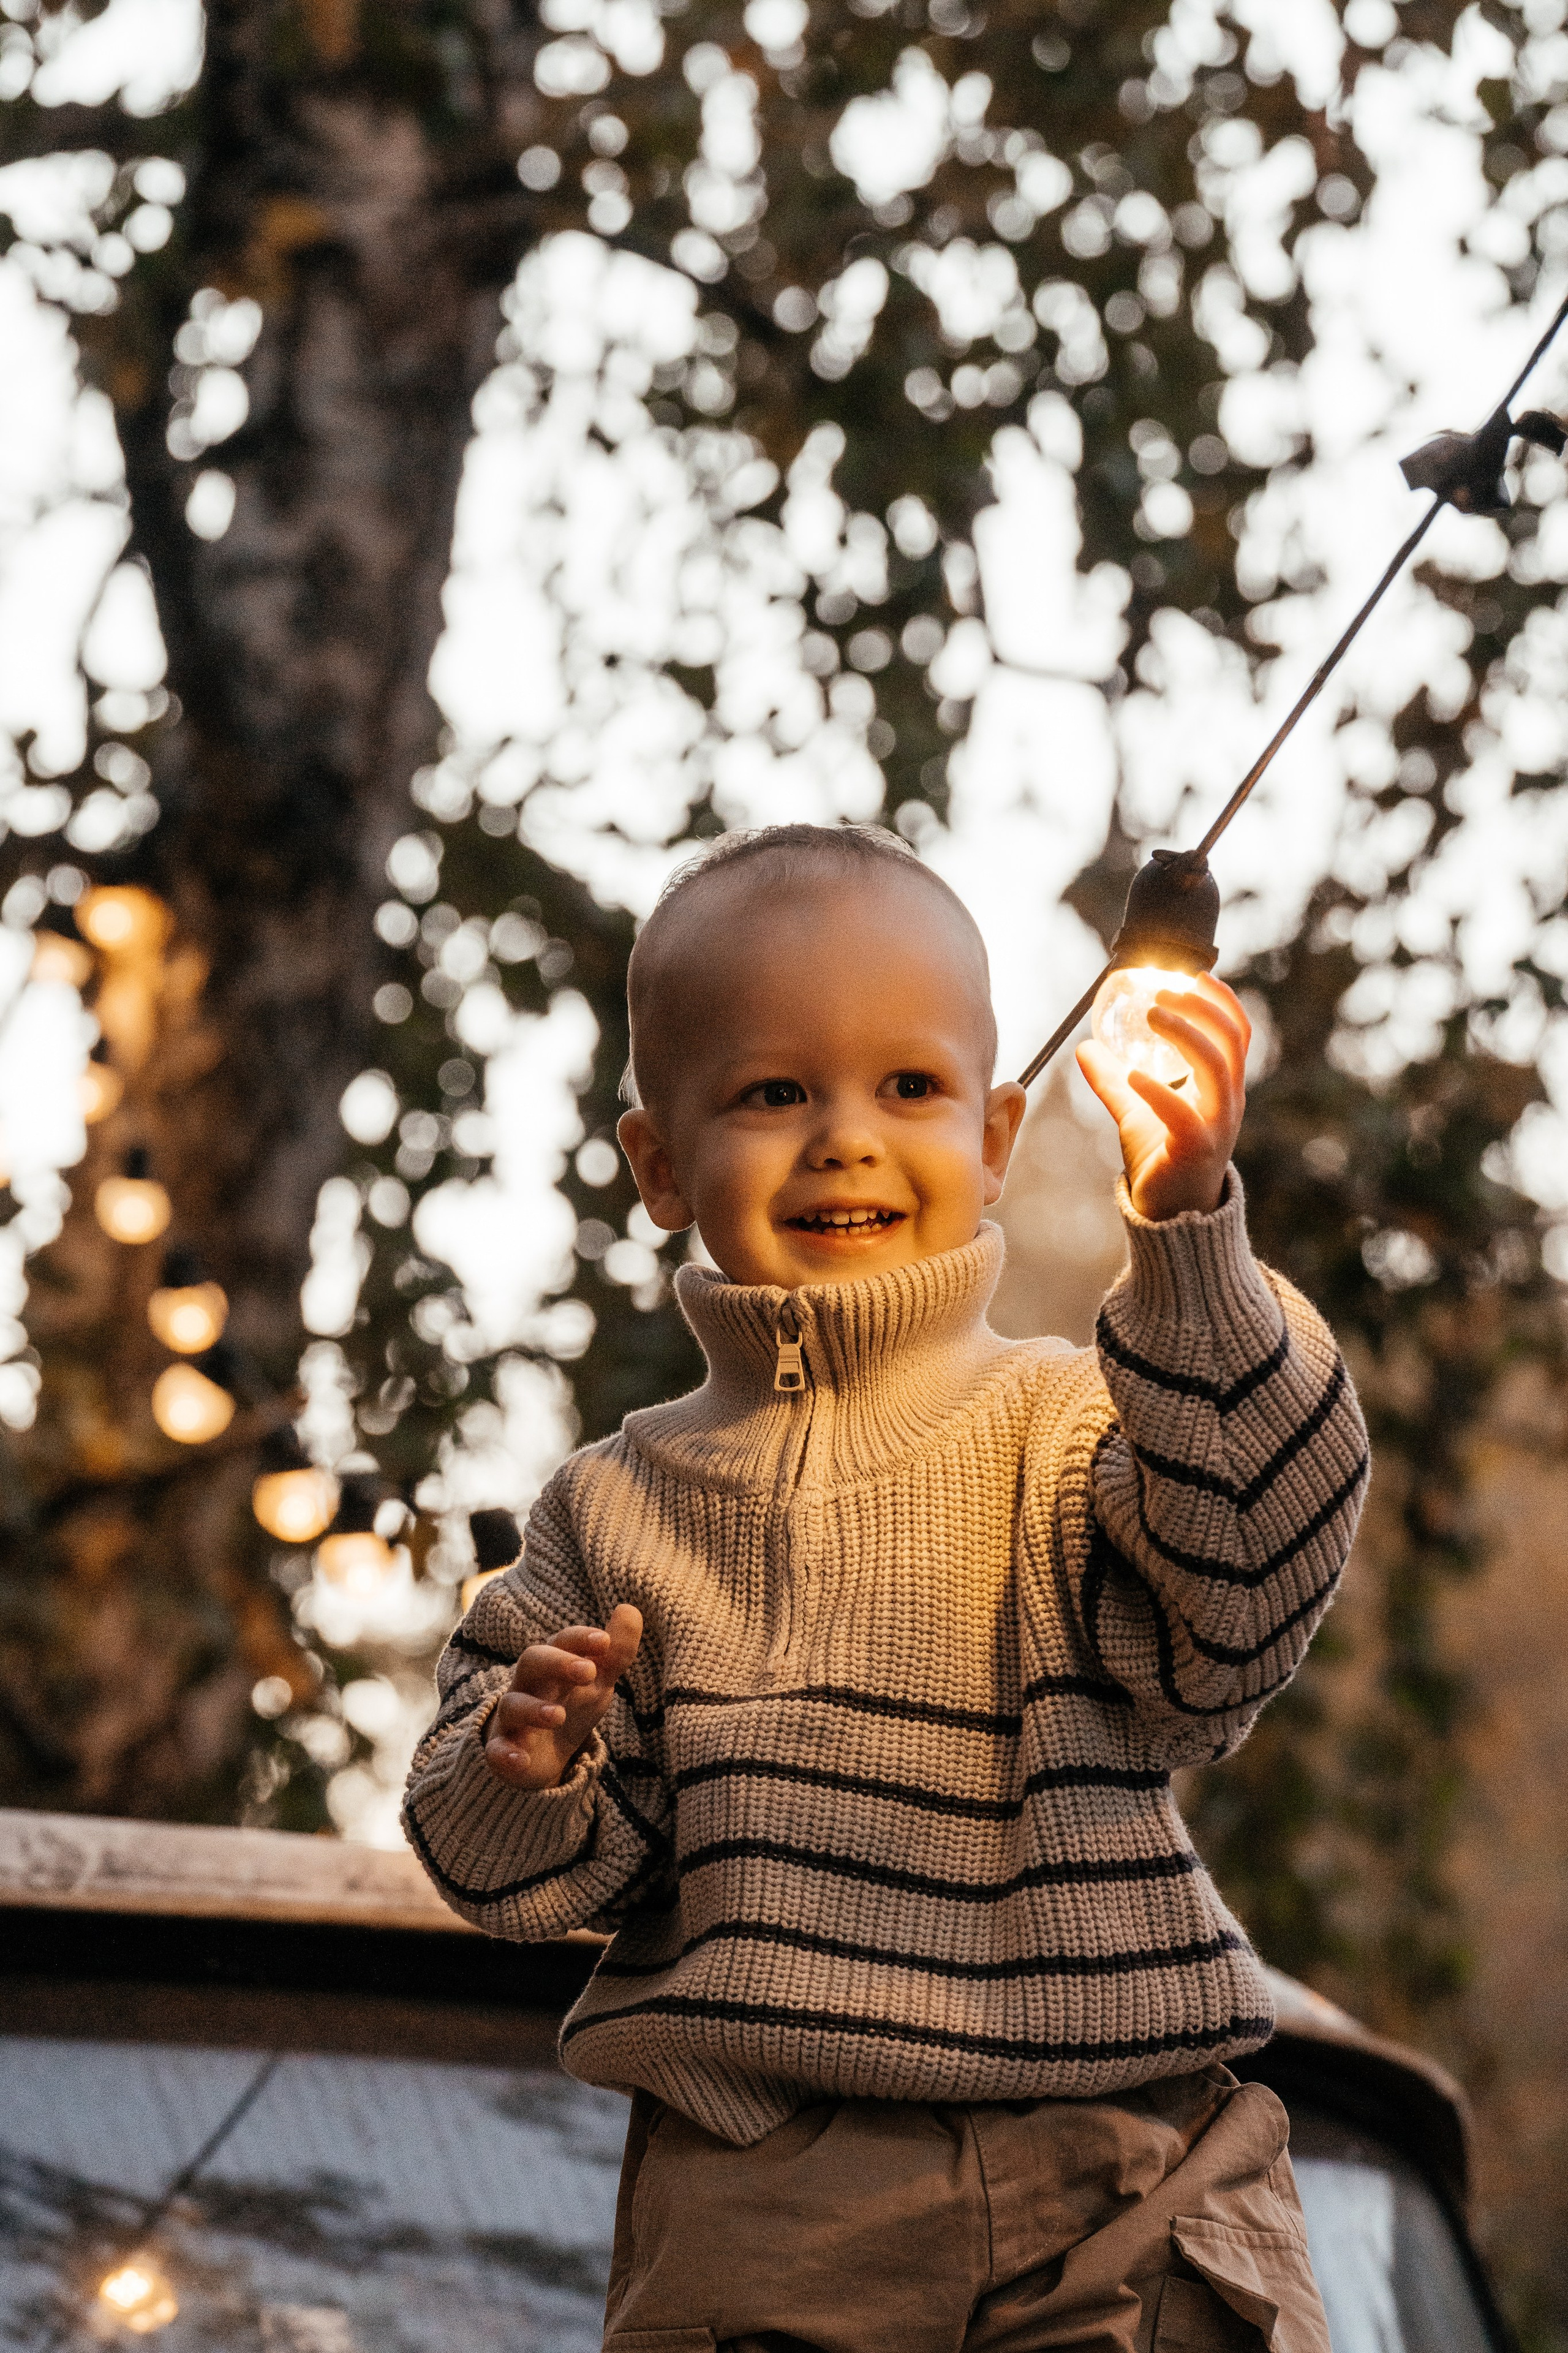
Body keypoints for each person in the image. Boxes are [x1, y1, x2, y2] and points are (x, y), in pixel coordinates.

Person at [404, 823, 1366, 2352]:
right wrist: (528, 1762)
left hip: (1110, 2154)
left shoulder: (1071, 1429)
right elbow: (524, 1869)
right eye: (774, 1091)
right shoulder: (611, 1508)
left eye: (906, 1087)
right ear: (660, 1161)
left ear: (993, 1136)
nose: (844, 1136)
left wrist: (1188, 1238)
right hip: (767, 2201)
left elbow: (1239, 1606)